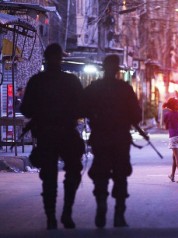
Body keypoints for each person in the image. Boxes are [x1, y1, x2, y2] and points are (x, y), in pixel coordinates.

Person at [20, 43, 84, 230]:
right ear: (60, 58)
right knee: (73, 171)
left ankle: (51, 218)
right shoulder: (71, 81)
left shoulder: (36, 81)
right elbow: (82, 107)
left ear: (46, 58)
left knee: (49, 178)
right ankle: (66, 213)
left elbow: (26, 109)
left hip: (46, 135)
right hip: (66, 133)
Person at [81, 54, 142, 228]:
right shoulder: (124, 89)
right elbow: (136, 115)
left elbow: (81, 108)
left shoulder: (94, 88)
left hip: (100, 139)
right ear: (117, 70)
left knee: (101, 174)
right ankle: (119, 215)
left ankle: (101, 205)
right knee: (120, 175)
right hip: (120, 140)